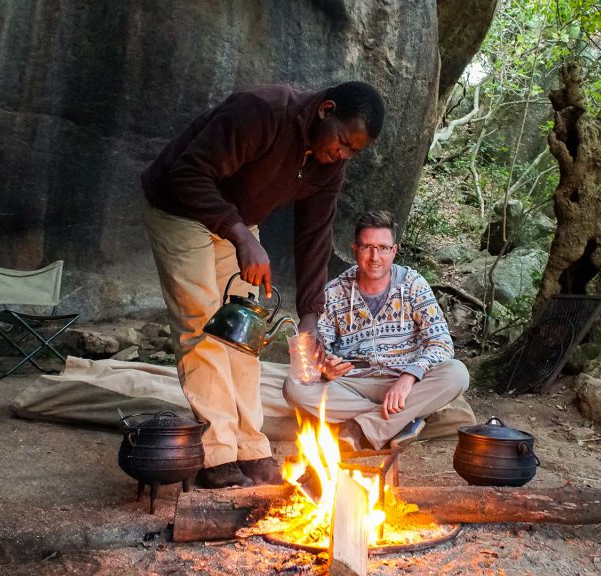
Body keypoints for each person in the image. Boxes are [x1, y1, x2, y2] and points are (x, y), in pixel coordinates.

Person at [142, 82, 385, 488]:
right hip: (181, 209)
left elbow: (314, 236)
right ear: (325, 110)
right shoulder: (262, 112)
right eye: (343, 141)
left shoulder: (330, 165)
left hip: (235, 223)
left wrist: (310, 315)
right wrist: (242, 236)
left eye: (353, 152)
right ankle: (216, 454)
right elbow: (186, 173)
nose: (343, 155)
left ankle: (251, 449)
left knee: (243, 336)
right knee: (203, 327)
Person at [284, 210, 469, 451]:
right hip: (353, 384)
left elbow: (441, 343)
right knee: (294, 387)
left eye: (383, 248)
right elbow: (321, 347)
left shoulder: (413, 284)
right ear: (355, 249)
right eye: (367, 247)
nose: (375, 257)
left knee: (457, 373)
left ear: (394, 250)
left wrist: (410, 375)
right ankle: (398, 423)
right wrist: (325, 367)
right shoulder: (335, 291)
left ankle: (360, 428)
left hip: (403, 384)